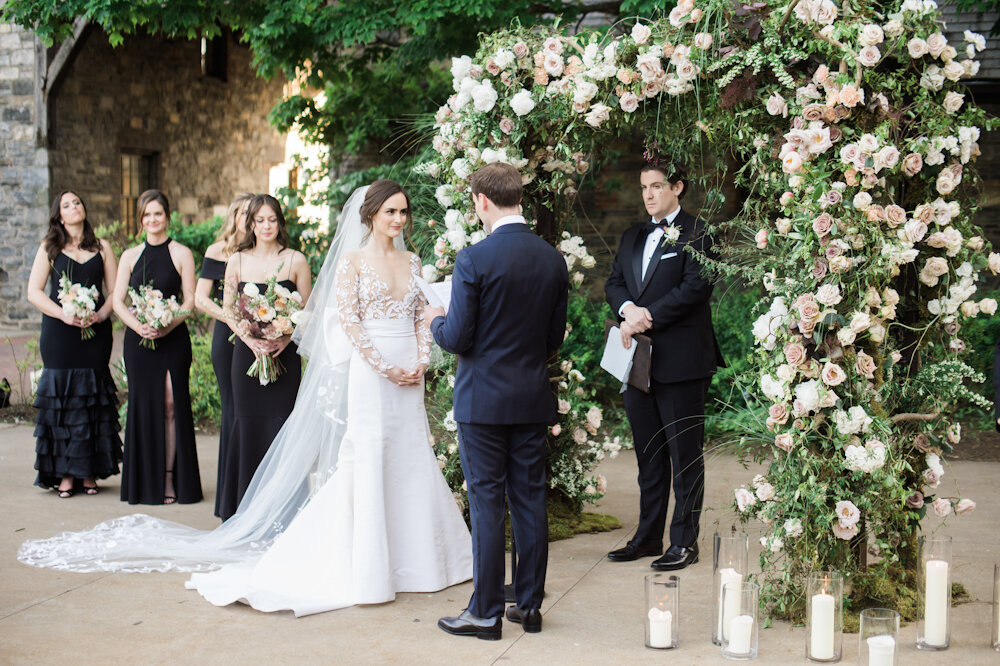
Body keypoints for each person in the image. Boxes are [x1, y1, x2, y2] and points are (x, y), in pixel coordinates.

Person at [19, 182, 472, 620]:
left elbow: (420, 315)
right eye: (389, 210)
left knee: (412, 456)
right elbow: (349, 322)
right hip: (373, 374)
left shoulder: (413, 262)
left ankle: (424, 556)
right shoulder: (352, 261)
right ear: (371, 215)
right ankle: (371, 561)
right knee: (369, 454)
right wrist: (383, 366)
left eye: (403, 211)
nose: (398, 218)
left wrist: (420, 360)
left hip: (408, 373)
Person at [428, 163, 569, 640]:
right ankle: (528, 607)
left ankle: (485, 612)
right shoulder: (552, 259)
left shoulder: (473, 260)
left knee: (487, 503)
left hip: (483, 404)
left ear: (482, 201)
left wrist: (434, 318)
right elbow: (553, 338)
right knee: (529, 500)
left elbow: (458, 338)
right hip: (530, 399)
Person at [603, 161, 724, 571]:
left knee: (684, 455)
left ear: (678, 187)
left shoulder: (700, 233)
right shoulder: (633, 235)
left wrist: (643, 316)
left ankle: (685, 542)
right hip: (638, 363)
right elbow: (614, 281)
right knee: (649, 454)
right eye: (644, 187)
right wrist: (626, 308)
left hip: (682, 363)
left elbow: (695, 288)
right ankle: (648, 536)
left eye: (657, 186)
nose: (649, 194)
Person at [214, 195, 310, 520]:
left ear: (280, 222)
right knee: (248, 425)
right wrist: (251, 340)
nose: (266, 226)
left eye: (272, 219)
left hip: (285, 354)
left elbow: (306, 313)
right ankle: (243, 511)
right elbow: (229, 311)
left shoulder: (296, 260)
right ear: (250, 224)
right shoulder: (237, 261)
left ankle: (283, 513)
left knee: (281, 426)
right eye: (260, 220)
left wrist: (284, 336)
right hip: (247, 355)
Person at [26, 191, 122, 497]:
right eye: (66, 205)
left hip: (95, 333)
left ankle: (89, 472)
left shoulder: (102, 247)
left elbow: (116, 292)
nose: (73, 207)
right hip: (59, 334)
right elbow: (34, 291)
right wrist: (64, 315)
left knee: (90, 398)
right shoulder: (50, 247)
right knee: (64, 400)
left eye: (77, 202)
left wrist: (100, 314)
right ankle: (66, 474)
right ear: (59, 215)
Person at [113, 189, 202, 505]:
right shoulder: (129, 256)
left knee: (169, 405)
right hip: (138, 342)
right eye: (147, 215)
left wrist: (168, 323)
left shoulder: (182, 253)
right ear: (141, 220)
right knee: (143, 405)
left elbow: (189, 300)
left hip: (173, 338)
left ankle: (167, 478)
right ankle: (143, 480)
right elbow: (117, 301)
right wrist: (138, 326)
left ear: (167, 217)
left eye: (158, 214)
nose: (153, 219)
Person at [195, 192, 253, 518]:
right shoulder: (218, 251)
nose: (247, 218)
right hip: (227, 338)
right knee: (232, 410)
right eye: (242, 212)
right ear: (233, 216)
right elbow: (201, 298)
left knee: (254, 411)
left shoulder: (262, 253)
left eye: (253, 212)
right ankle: (229, 498)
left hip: (261, 338)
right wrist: (233, 319)